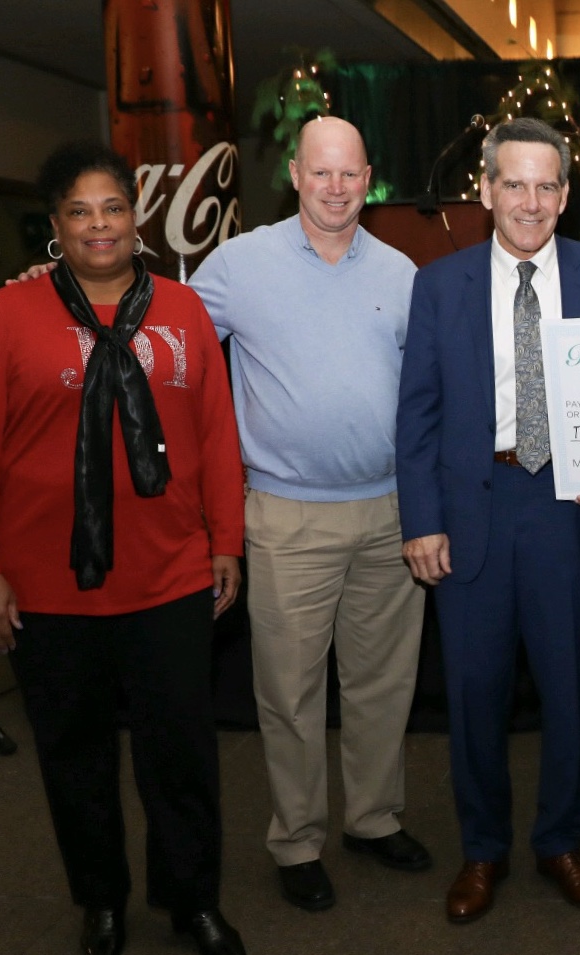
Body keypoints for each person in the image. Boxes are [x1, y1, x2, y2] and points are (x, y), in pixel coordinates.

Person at [0, 140, 247, 955]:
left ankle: (192, 900)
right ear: (56, 227)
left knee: (181, 756)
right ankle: (101, 900)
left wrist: (228, 539)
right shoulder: (8, 317)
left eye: (112, 207)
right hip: (49, 590)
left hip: (171, 576)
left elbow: (218, 438)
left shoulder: (184, 312)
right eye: (79, 211)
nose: (99, 224)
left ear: (136, 219)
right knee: (75, 759)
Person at [396, 117, 580, 923]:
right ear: (487, 190)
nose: (529, 200)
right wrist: (422, 519)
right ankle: (483, 848)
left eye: (546, 185)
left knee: (570, 688)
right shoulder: (440, 284)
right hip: (474, 509)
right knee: (474, 691)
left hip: (570, 509)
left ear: (565, 196)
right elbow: (418, 414)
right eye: (514, 183)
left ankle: (562, 841)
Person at [187, 116, 431, 912]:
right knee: (288, 692)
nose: (335, 188)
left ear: (371, 179)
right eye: (320, 172)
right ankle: (296, 838)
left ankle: (371, 816)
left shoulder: (402, 273)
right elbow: (170, 336)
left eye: (350, 174)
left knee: (383, 683)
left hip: (391, 511)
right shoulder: (238, 264)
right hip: (287, 516)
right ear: (294, 174)